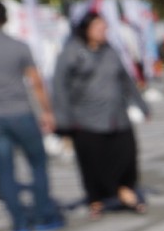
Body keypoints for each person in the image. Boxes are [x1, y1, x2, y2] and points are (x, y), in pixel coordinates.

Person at [0, 0, 64, 231]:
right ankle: (42, 216)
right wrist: (47, 112)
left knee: (5, 171)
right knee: (38, 165)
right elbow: (36, 82)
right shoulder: (19, 46)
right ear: (6, 18)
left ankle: (19, 222)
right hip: (20, 112)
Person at [51, 11, 148, 220]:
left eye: (105, 27)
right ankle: (96, 200)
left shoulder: (110, 51)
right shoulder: (72, 52)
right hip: (86, 119)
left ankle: (125, 190)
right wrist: (63, 119)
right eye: (98, 27)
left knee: (127, 154)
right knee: (93, 162)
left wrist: (142, 105)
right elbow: (59, 87)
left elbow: (126, 79)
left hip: (117, 116)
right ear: (86, 30)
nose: (104, 31)